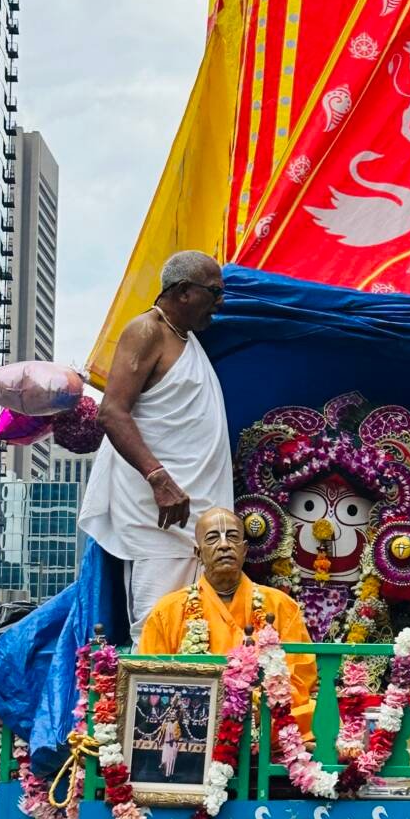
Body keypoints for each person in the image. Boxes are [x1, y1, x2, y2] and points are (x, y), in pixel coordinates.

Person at [79, 251, 236, 641]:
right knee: (157, 627)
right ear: (183, 291)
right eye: (215, 292)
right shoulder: (146, 331)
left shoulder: (187, 340)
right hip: (162, 513)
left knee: (201, 629)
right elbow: (112, 412)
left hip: (198, 512)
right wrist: (159, 479)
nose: (222, 302)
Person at [138, 508, 317, 730]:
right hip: (193, 724)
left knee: (314, 714)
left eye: (232, 537)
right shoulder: (168, 610)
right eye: (213, 538)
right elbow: (151, 679)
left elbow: (300, 678)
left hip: (264, 722)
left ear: (244, 550)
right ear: (198, 553)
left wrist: (256, 707)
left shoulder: (281, 605)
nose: (224, 545)